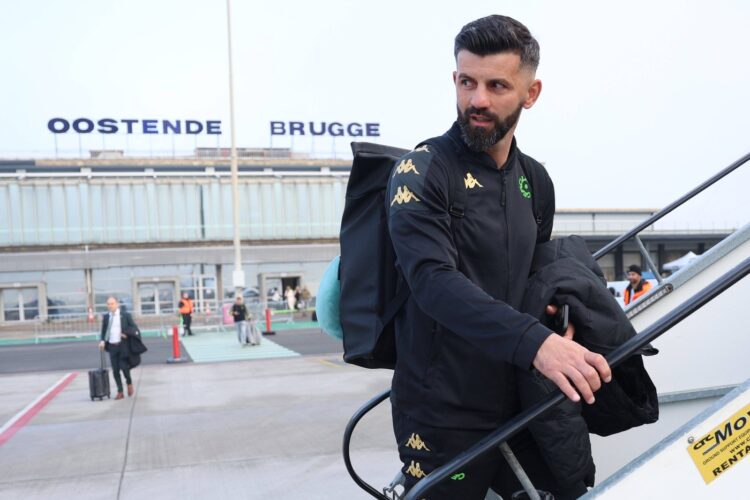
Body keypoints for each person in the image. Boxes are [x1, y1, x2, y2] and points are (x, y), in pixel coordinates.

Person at [386, 15, 611, 499]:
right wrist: (538, 345)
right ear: (454, 80)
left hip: (526, 401)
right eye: (467, 82)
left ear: (531, 94)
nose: (478, 100)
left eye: (497, 85)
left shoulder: (537, 181)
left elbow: (535, 277)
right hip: (444, 413)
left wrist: (558, 317)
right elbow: (432, 282)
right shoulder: (420, 172)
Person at [98, 296, 139, 400]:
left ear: (117, 304)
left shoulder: (125, 315)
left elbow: (134, 328)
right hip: (112, 346)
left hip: (123, 346)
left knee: (124, 368)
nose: (110, 306)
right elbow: (103, 331)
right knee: (115, 370)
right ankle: (120, 391)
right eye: (108, 304)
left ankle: (129, 383)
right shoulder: (107, 317)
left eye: (112, 304)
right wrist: (102, 341)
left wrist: (126, 334)